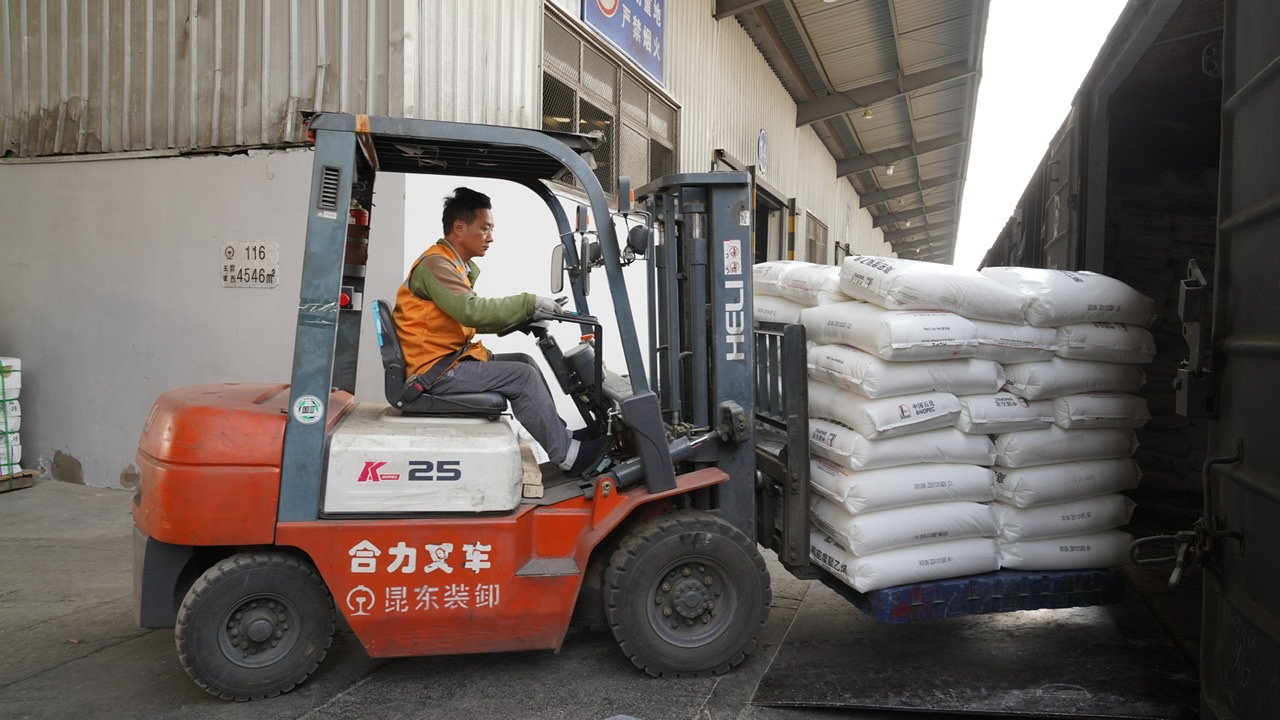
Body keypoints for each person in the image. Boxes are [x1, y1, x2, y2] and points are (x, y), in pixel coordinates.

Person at [393, 187, 608, 476]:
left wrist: (524, 316)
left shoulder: (453, 265)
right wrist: (528, 303)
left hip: (446, 360)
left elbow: (469, 319)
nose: (491, 237)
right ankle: (568, 456)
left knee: (523, 361)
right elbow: (471, 311)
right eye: (485, 228)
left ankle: (561, 436)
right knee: (521, 376)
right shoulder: (437, 264)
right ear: (460, 228)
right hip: (435, 372)